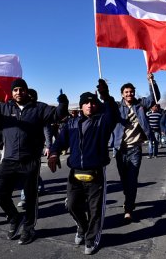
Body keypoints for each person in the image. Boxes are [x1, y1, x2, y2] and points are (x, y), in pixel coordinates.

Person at [0, 78, 68, 245]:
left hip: (30, 161)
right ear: (12, 93)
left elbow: (57, 115)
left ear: (26, 91)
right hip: (9, 159)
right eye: (15, 90)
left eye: (21, 89)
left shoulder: (38, 108)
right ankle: (14, 217)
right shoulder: (4, 108)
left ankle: (28, 228)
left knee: (31, 197)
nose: (18, 92)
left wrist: (63, 102)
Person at [48, 79, 119, 255]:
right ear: (81, 106)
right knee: (71, 205)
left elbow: (114, 114)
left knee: (95, 210)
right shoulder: (71, 124)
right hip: (75, 174)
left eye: (92, 102)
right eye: (86, 103)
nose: (89, 105)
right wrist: (54, 153)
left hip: (95, 173)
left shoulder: (103, 121)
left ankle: (91, 239)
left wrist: (105, 96)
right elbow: (59, 142)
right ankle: (82, 227)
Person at [113, 73, 160, 221]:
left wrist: (151, 81)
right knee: (124, 180)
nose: (129, 94)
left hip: (135, 149)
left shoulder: (140, 104)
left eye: (131, 91)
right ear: (122, 94)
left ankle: (128, 208)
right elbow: (105, 107)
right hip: (120, 149)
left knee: (132, 179)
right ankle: (129, 199)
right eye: (126, 92)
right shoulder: (117, 107)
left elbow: (154, 97)